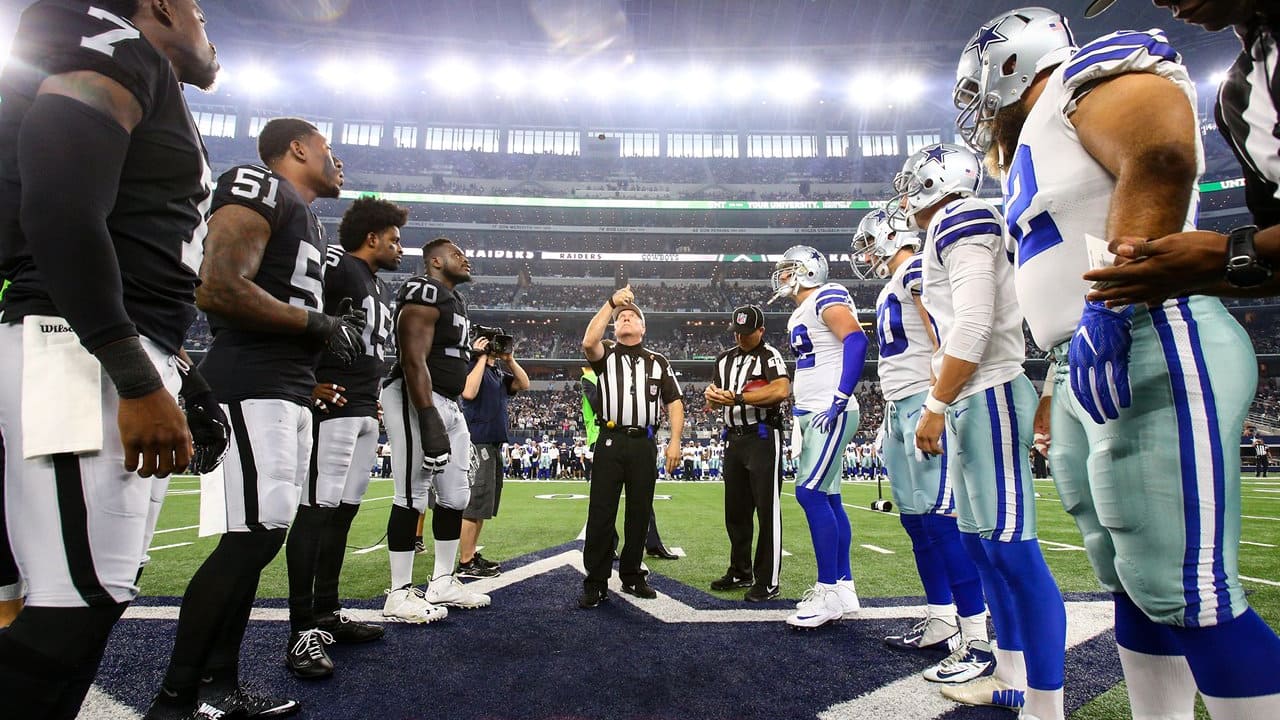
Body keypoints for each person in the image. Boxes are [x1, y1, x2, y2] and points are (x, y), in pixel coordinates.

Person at [958, 7, 1280, 718]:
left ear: (1008, 63)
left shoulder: (1087, 72)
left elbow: (1160, 154)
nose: (976, 110)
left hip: (1150, 329)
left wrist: (1109, 301)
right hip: (1085, 353)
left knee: (1190, 591)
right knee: (1131, 577)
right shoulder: (1032, 142)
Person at [0, 1, 224, 717]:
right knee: (76, 602)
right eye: (198, 12)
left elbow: (136, 241)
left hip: (101, 343)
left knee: (94, 595)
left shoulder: (146, 77)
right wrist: (131, 370)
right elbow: (63, 204)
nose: (208, 35)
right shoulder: (110, 41)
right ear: (159, 4)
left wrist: (174, 365)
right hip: (71, 347)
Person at [147, 117, 361, 719]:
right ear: (296, 149)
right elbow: (218, 286)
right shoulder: (256, 185)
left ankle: (219, 687)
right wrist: (320, 325)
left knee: (260, 539)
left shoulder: (309, 217)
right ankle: (175, 698)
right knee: (250, 539)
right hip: (251, 384)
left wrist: (312, 364)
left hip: (284, 387)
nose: (337, 161)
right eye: (328, 149)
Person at [893, 140, 1066, 716]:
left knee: (1013, 552)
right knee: (982, 546)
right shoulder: (952, 222)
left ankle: (1047, 701)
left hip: (987, 390)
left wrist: (935, 404)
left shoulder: (959, 216)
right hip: (973, 393)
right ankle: (1010, 674)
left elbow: (973, 322)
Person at [851, 210, 989, 657]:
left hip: (923, 402)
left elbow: (942, 331)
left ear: (894, 237)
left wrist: (939, 400)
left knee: (943, 519)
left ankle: (976, 634)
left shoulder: (915, 268)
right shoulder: (895, 281)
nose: (866, 252)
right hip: (899, 405)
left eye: (870, 242)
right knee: (916, 521)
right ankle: (941, 617)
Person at [1082, 0, 1280, 302]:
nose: (1160, 1)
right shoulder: (1238, 99)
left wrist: (1232, 251)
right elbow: (1272, 265)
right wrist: (1173, 277)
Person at [282, 197, 406, 679]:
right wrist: (305, 379)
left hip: (359, 407)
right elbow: (295, 311)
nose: (400, 247)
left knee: (343, 514)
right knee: (316, 512)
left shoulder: (374, 283)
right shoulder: (335, 263)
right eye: (394, 239)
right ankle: (301, 628)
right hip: (329, 406)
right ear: (371, 237)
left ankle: (327, 611)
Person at [380, 238, 491, 622]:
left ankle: (443, 580)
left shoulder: (454, 299)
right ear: (437, 261)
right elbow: (412, 355)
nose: (467, 258)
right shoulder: (424, 289)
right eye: (459, 254)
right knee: (411, 493)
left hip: (449, 401)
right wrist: (426, 414)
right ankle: (398, 592)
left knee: (456, 496)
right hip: (416, 397)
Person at [771, 245, 868, 629]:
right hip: (814, 411)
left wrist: (840, 398)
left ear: (806, 270)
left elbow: (856, 340)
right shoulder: (802, 309)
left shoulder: (827, 295)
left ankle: (828, 590)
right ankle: (844, 586)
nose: (781, 276)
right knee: (829, 496)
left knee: (809, 493)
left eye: (786, 269)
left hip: (831, 410)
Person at [578, 287, 684, 609]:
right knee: (601, 512)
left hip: (644, 443)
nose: (626, 317)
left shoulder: (658, 362)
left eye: (632, 316)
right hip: (611, 440)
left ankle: (632, 574)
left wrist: (675, 440)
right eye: (621, 317)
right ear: (614, 326)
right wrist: (611, 303)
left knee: (639, 513)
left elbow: (675, 402)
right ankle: (595, 582)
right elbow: (587, 342)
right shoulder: (606, 354)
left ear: (643, 328)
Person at [704, 305, 791, 602]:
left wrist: (739, 397)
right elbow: (716, 403)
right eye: (737, 332)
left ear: (761, 331)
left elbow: (780, 390)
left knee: (767, 511)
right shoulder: (724, 359)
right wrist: (713, 398)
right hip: (734, 439)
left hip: (763, 436)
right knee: (736, 511)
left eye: (747, 332)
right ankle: (741, 570)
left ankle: (768, 580)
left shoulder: (769, 356)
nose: (741, 338)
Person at [458, 326, 531, 578]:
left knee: (483, 505)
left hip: (492, 444)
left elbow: (524, 383)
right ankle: (466, 563)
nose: (496, 346)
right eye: (493, 342)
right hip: (478, 442)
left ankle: (471, 555)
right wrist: (478, 357)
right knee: (474, 504)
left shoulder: (497, 373)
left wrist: (509, 359)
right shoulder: (472, 366)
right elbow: (468, 392)